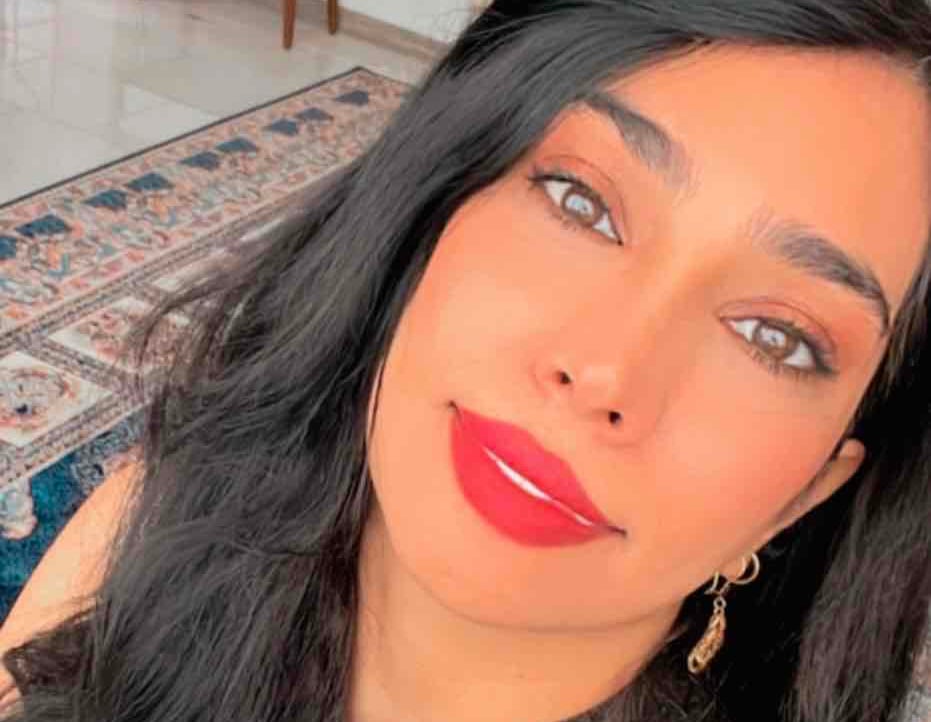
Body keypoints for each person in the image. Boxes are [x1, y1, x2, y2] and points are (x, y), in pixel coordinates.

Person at [2, 1, 931, 720]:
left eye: (774, 337)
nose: (604, 370)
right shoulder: (166, 504)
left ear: (810, 490)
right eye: (579, 203)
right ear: (424, 211)